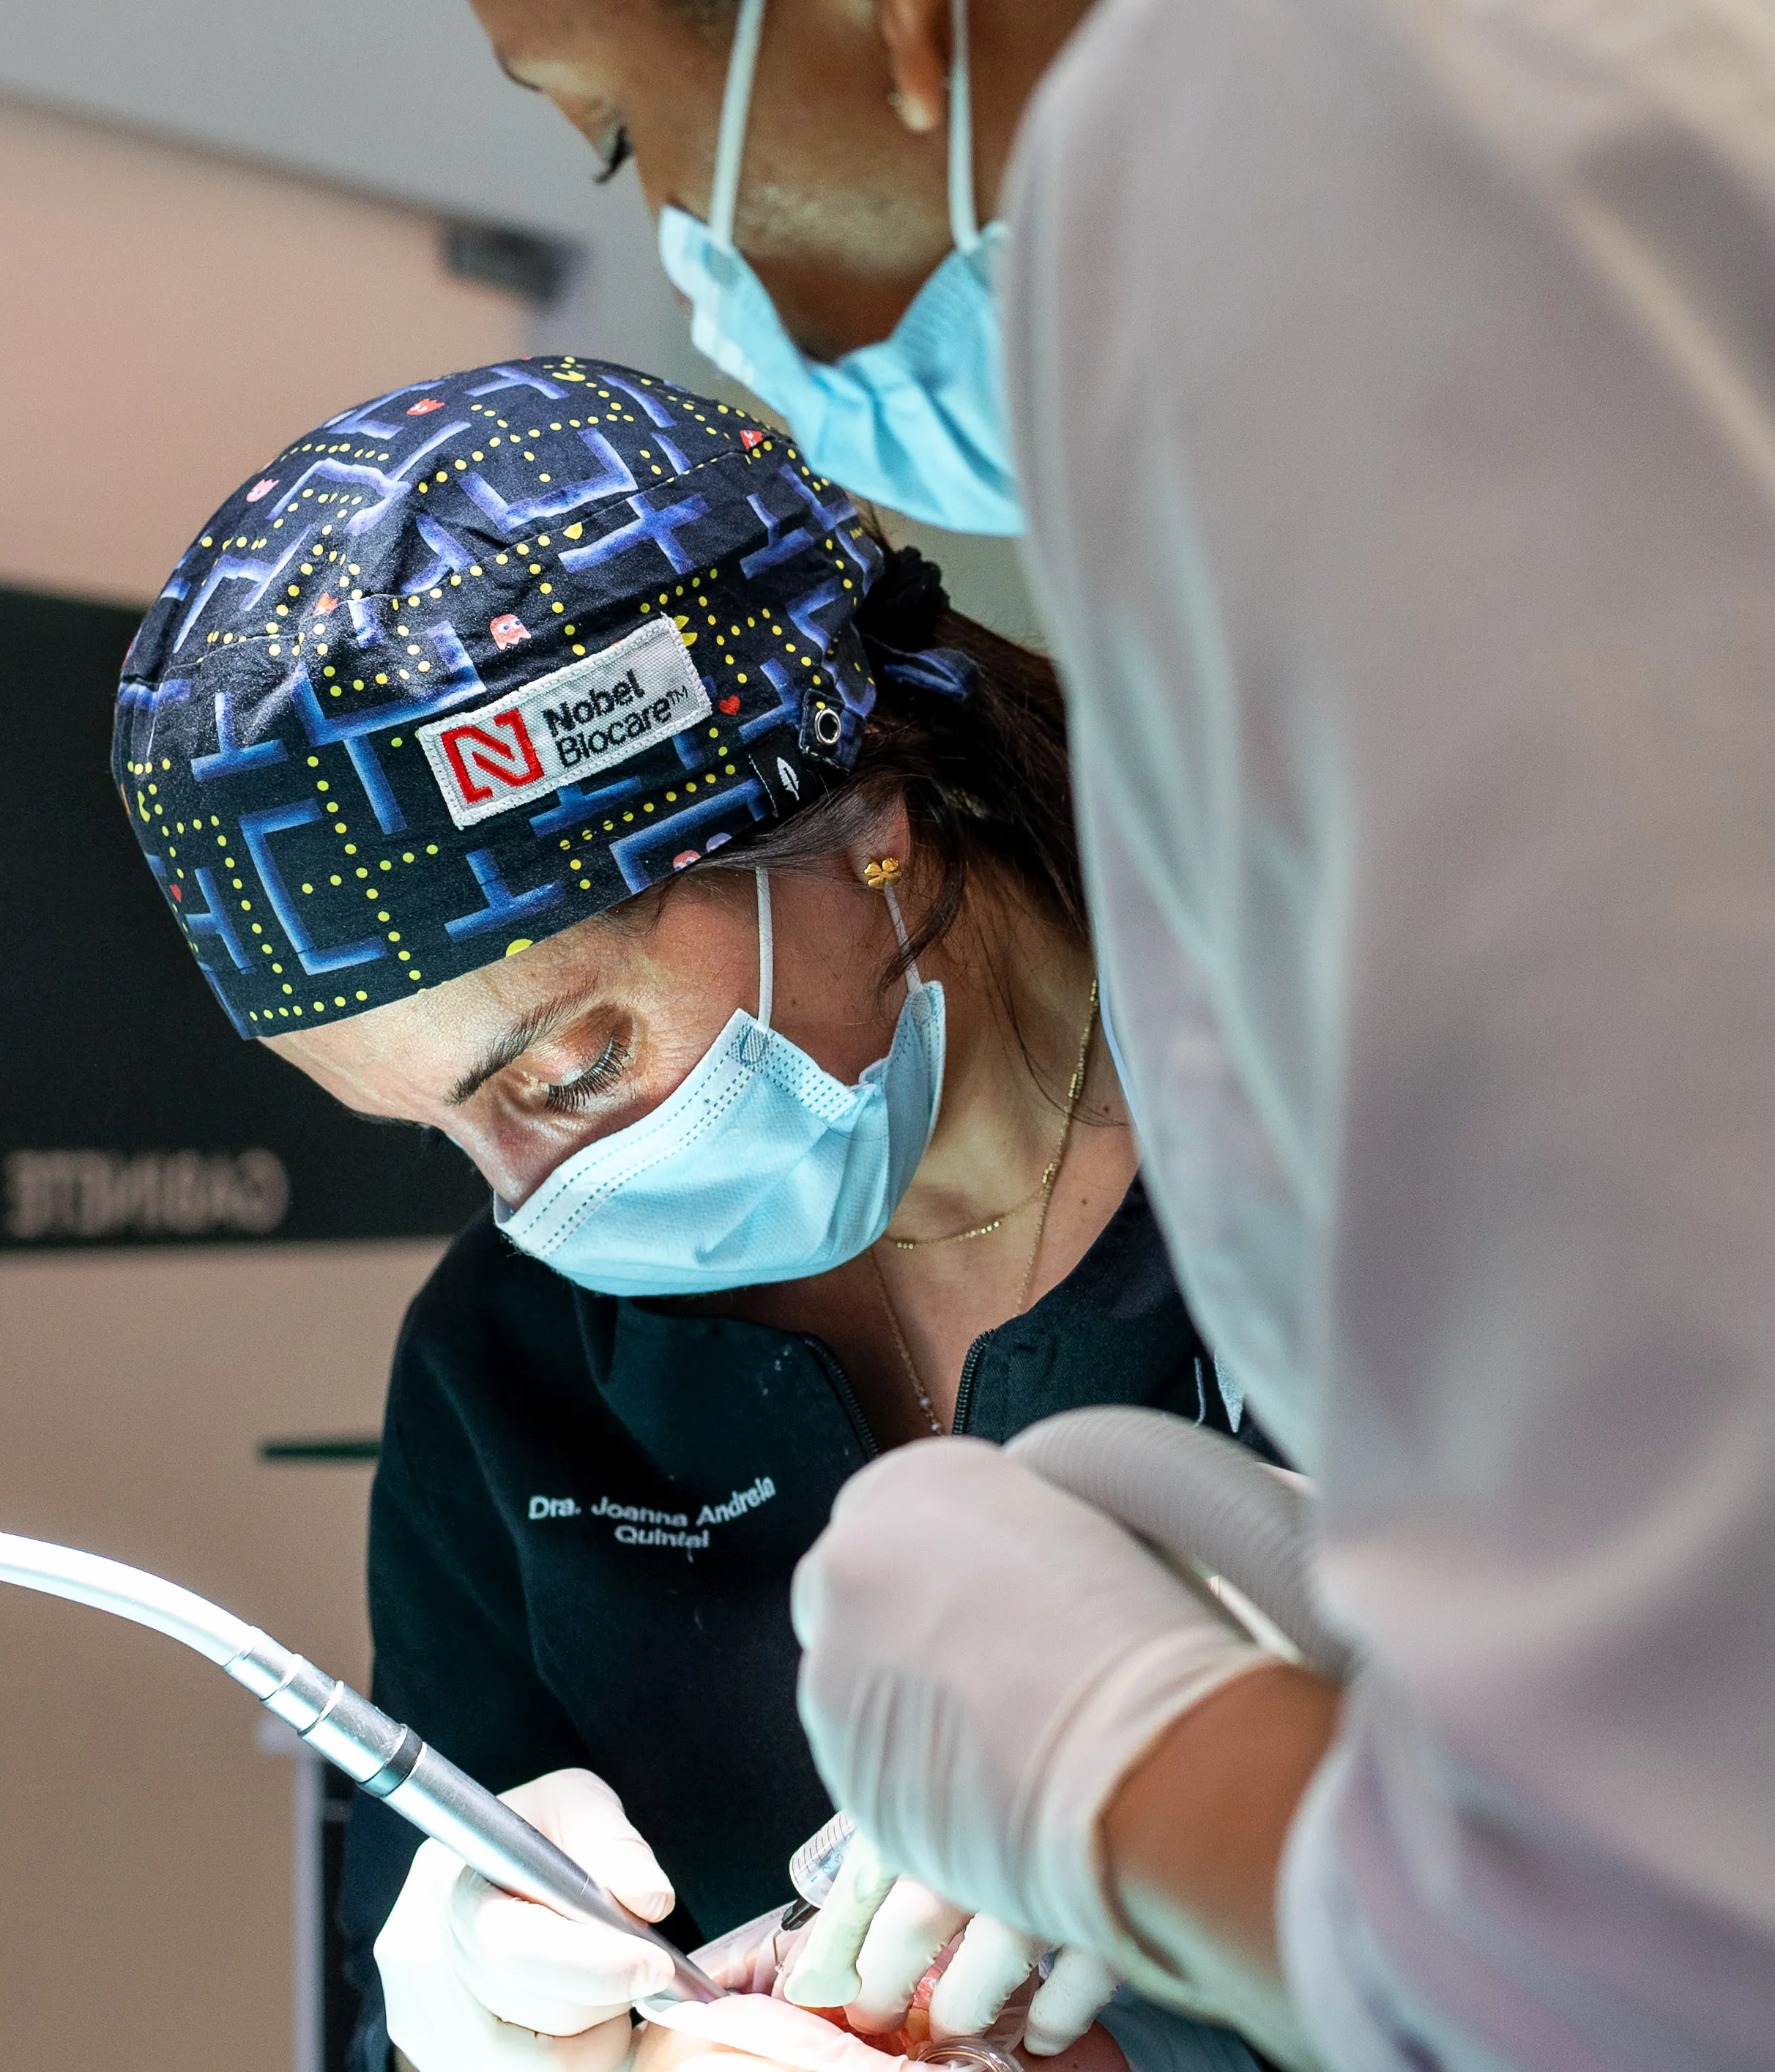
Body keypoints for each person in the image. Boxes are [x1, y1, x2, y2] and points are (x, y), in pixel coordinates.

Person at [466, 1, 1775, 2067]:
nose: (705, 277)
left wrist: (1136, 1777)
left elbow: (1641, 1953)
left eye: (623, 136)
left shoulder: (1327, 178)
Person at [114, 356, 1271, 2072]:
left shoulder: (1384, 1167)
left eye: (570, 1065)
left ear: (864, 825)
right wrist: (466, 2017)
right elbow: (401, 1980)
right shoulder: (510, 1366)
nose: (534, 1199)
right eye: (438, 1127)